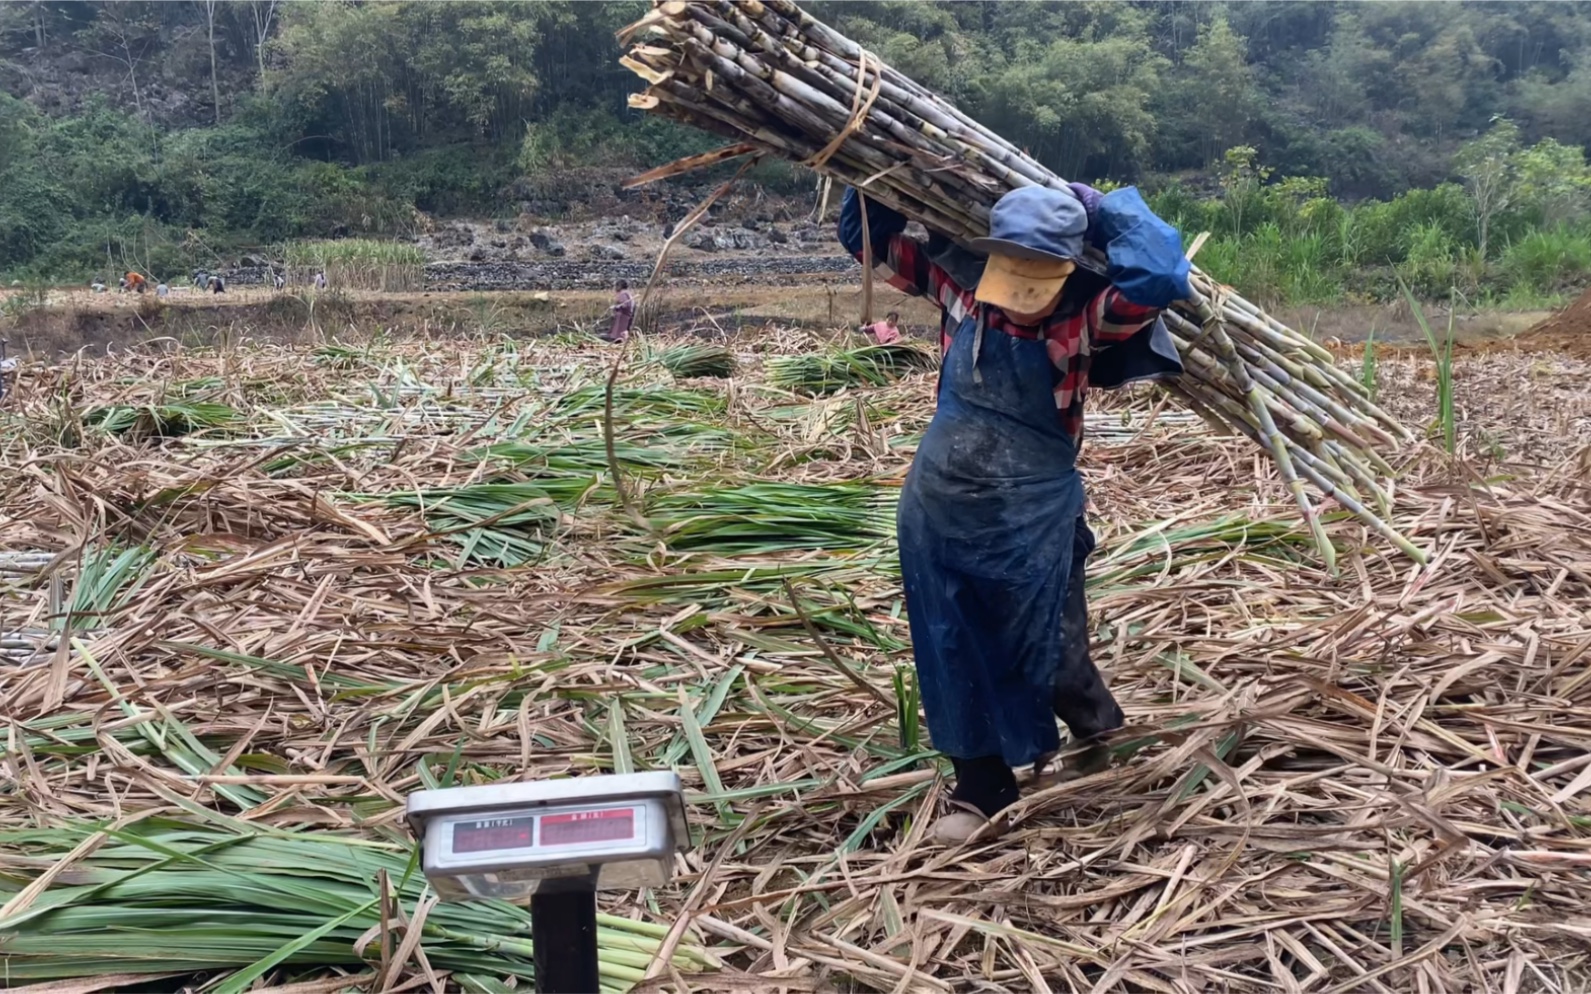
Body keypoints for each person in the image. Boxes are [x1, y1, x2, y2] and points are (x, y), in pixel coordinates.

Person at [839, 183, 1189, 844]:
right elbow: (867, 242)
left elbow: (1159, 274)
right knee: (950, 642)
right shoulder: (959, 296)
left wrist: (1106, 207)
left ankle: (1096, 727)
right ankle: (980, 789)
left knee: (1050, 644)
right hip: (939, 507)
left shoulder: (1080, 324)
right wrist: (878, 176)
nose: (1023, 294)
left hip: (1030, 513)